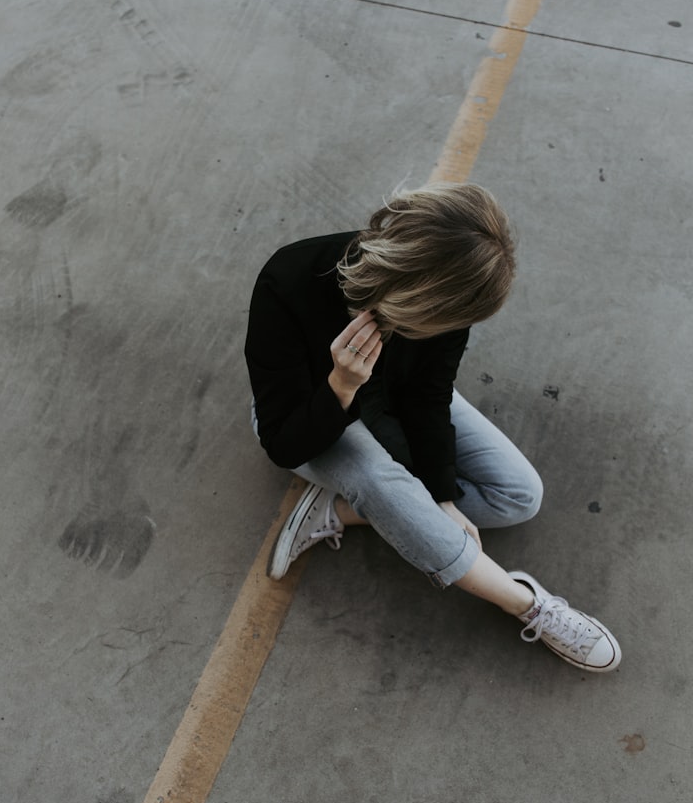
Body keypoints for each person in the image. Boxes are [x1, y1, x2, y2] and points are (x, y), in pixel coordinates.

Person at [244, 183, 620, 672]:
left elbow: (427, 396)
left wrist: (441, 498)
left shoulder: (454, 295)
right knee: (377, 479)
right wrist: (341, 385)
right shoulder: (290, 278)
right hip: (311, 415)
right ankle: (526, 602)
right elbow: (281, 441)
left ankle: (337, 511)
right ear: (420, 293)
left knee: (518, 495)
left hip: (395, 399)